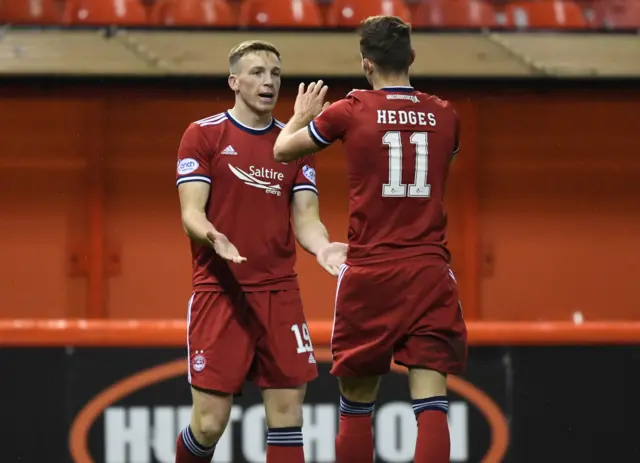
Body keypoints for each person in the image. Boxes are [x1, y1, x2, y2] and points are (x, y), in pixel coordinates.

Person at [273, 15, 468, 463]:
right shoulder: (444, 114)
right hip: (428, 270)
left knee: (357, 403)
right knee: (432, 402)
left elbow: (282, 151)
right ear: (412, 58)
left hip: (371, 271)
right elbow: (440, 170)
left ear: (367, 65)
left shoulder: (351, 109)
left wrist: (301, 117)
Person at [174, 40, 345, 463]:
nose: (268, 81)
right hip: (221, 293)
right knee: (210, 423)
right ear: (234, 81)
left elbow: (306, 218)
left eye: (275, 73)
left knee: (288, 416)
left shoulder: (294, 144)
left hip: (280, 294)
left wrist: (323, 249)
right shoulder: (204, 134)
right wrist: (214, 236)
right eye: (256, 72)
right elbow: (190, 213)